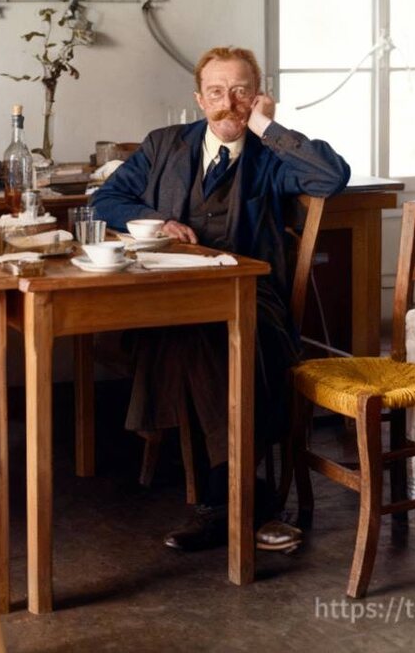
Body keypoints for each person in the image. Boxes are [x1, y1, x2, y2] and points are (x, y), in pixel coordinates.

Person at [92, 46, 350, 553]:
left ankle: (219, 506)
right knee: (197, 332)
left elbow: (331, 177)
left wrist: (268, 127)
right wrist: (159, 221)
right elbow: (105, 200)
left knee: (210, 335)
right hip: (173, 296)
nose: (227, 103)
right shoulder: (164, 145)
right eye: (215, 92)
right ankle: (246, 503)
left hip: (253, 299)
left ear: (258, 97)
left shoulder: (270, 154)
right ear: (199, 99)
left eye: (240, 92)